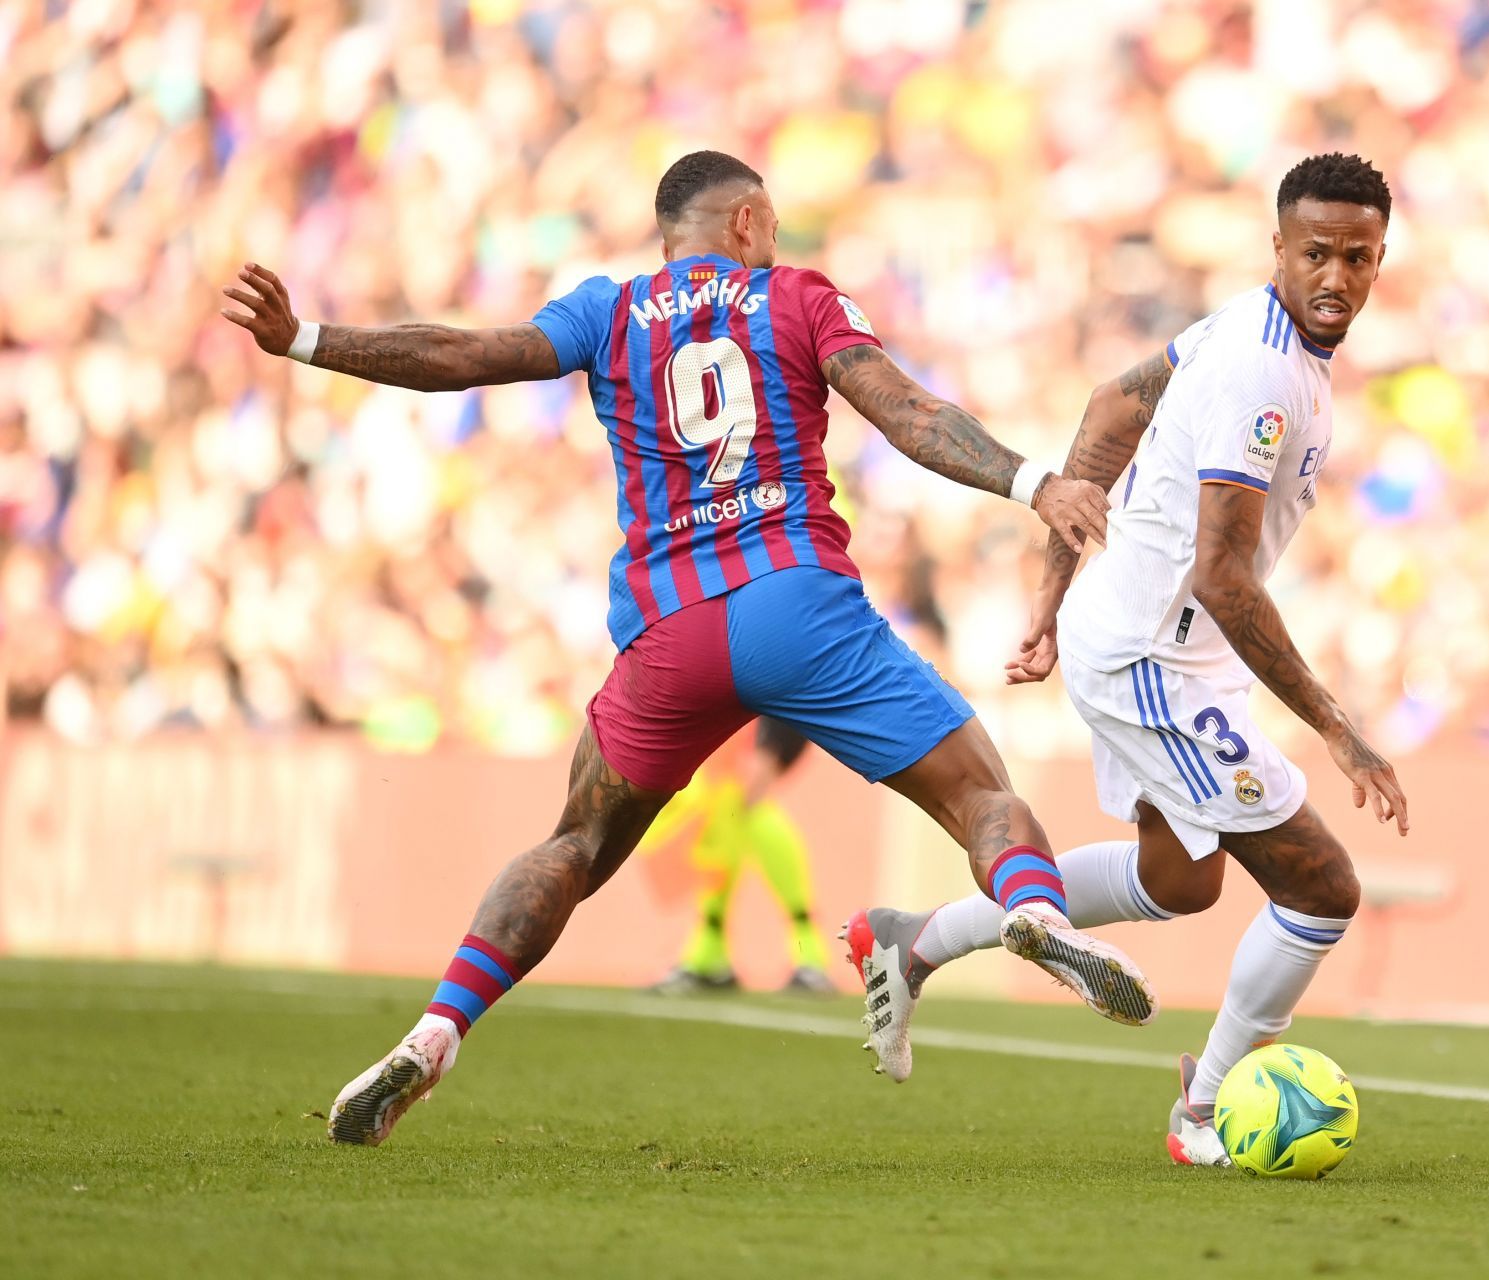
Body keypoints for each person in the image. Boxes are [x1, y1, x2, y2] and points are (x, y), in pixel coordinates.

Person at [219, 149, 1157, 1146]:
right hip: (797, 606)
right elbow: (909, 414)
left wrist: (305, 337)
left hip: (672, 636)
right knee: (980, 793)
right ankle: (1039, 916)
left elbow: (460, 356)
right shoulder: (794, 296)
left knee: (573, 844)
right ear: (747, 221)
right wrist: (1033, 484)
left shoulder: (606, 311)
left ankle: (435, 1029)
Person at [842, 153, 1410, 1166]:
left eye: (1358, 257)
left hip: (1142, 637)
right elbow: (1226, 578)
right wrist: (1337, 728)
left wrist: (1056, 589)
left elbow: (1111, 405)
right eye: (1315, 252)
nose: (1336, 276)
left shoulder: (1242, 329)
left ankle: (913, 938)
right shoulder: (1258, 374)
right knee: (1321, 886)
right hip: (1158, 657)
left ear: (1380, 260)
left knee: (1181, 879)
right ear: (1276, 249)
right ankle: (1204, 1112)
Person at [640, 718, 835, 995]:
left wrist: (770, 748)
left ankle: (808, 955)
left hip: (765, 699)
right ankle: (711, 951)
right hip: (741, 719)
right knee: (728, 811)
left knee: (749, 808)